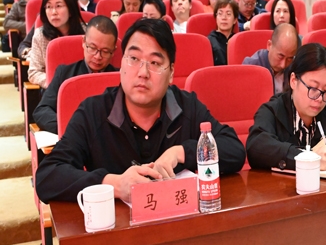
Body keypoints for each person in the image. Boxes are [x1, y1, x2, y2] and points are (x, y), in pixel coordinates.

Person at [35, 19, 246, 203]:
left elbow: (234, 150)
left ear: (171, 73)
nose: (143, 73)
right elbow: (47, 177)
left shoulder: (186, 106)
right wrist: (114, 184)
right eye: (134, 59)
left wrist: (181, 152)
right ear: (121, 64)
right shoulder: (93, 112)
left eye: (155, 62)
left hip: (178, 225)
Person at [246, 43, 326, 170]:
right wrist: (307, 157)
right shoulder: (272, 111)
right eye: (313, 88)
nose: (319, 99)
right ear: (293, 81)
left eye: (325, 91)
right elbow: (256, 147)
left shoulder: (325, 112)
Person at [33, 16, 119, 134]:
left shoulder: (119, 78)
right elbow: (42, 111)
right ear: (83, 42)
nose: (97, 56)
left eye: (105, 51)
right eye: (92, 48)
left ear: (113, 51)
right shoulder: (64, 73)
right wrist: (72, 128)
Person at [27, 0, 86, 88]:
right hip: (53, 90)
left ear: (71, 10)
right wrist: (56, 84)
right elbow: (34, 73)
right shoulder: (40, 35)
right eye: (49, 7)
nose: (53, 12)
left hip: (83, 86)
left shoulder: (87, 32)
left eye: (58, 6)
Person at [242, 23, 299, 94]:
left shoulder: (295, 66)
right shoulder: (251, 67)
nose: (283, 65)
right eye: (280, 56)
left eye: (289, 58)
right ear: (269, 45)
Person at [208, 0, 239, 66]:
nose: (224, 17)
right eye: (220, 13)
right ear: (216, 18)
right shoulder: (208, 41)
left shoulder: (238, 40)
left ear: (235, 20)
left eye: (228, 14)